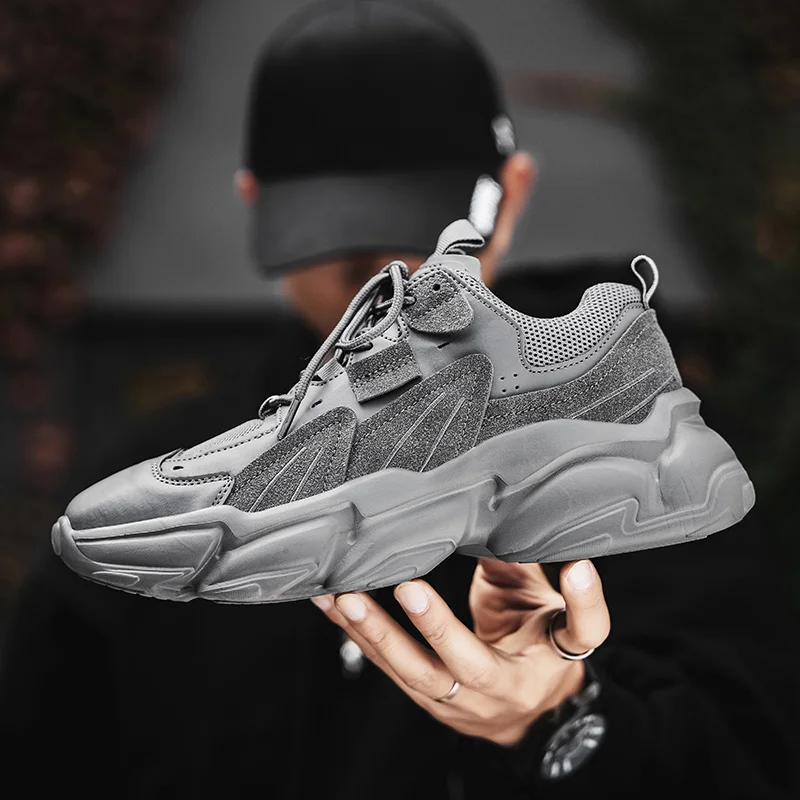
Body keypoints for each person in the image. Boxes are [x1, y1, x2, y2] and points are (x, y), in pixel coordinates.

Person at [0, 1, 795, 798]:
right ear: (253, 201)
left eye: (412, 219)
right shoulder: (139, 495)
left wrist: (556, 721)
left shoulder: (620, 451)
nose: (376, 263)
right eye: (327, 227)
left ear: (512, 192)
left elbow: (751, 761)